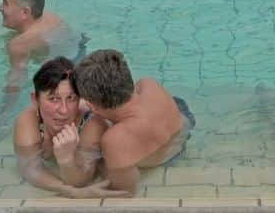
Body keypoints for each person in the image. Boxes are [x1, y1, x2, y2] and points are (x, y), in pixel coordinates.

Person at [73, 49, 193, 195]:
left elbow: (125, 190)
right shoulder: (149, 85)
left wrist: (98, 162)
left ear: (92, 106)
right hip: (181, 126)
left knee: (93, 126)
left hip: (166, 158)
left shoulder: (115, 140)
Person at [12, 58, 126, 198]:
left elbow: (84, 179)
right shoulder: (29, 121)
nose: (64, 110)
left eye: (71, 98)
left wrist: (67, 160)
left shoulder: (92, 123)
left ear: (79, 98)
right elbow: (30, 169)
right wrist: (68, 191)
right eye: (53, 99)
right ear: (35, 100)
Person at [0, 0, 67, 96]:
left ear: (25, 12)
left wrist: (6, 107)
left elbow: (16, 80)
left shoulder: (17, 45)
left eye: (5, 3)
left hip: (60, 77)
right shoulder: (51, 17)